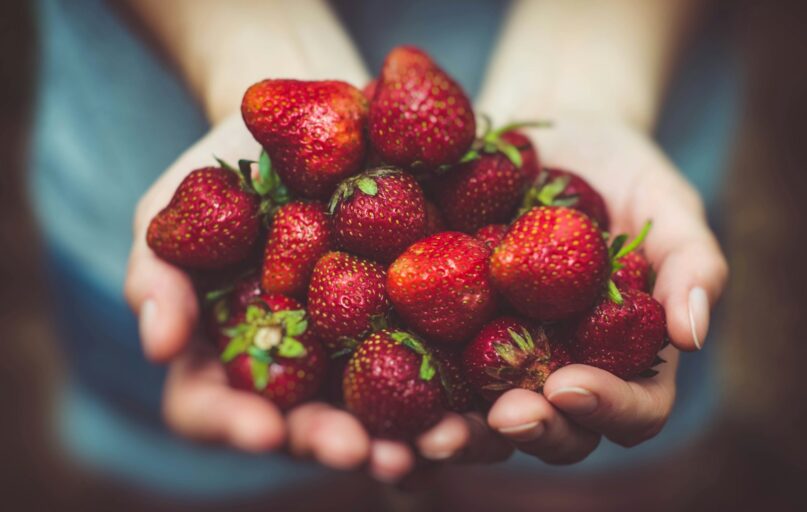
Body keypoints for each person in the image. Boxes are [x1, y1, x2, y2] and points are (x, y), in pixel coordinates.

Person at [30, 0, 731, 501]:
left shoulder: (490, 246)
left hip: (637, 65)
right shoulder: (353, 244)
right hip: (137, 130)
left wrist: (588, 86)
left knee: (580, 486)